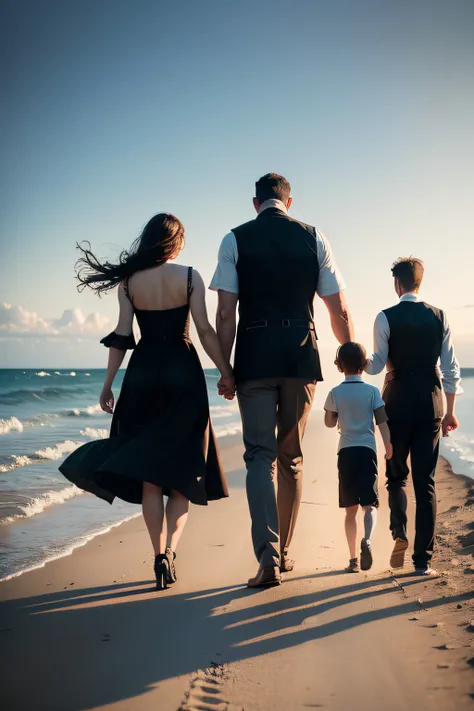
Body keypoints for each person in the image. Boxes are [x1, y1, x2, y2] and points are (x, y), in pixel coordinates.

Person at [59, 213, 234, 590]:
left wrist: (107, 384)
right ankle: (171, 551)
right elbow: (203, 329)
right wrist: (226, 371)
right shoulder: (189, 277)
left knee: (150, 480)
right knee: (185, 474)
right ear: (175, 242)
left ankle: (157, 554)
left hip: (142, 378)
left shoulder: (129, 283)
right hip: (183, 375)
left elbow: (123, 336)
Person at [210, 173, 353, 587]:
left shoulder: (234, 239)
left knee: (259, 455)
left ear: (255, 202)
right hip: (300, 355)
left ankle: (267, 559)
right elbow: (338, 308)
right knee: (291, 455)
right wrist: (350, 359)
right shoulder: (314, 237)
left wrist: (225, 368)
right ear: (289, 202)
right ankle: (286, 553)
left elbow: (224, 314)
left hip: (254, 355)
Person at [365, 257, 462, 576]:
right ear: (420, 282)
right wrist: (451, 412)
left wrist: (356, 362)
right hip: (431, 401)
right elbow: (450, 368)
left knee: (396, 476)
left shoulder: (385, 317)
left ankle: (399, 533)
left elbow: (378, 364)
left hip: (397, 400)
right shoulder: (440, 315)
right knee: (427, 482)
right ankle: (423, 561)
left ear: (397, 284)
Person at [324, 342, 392, 573]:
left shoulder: (335, 392)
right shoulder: (372, 392)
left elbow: (329, 422)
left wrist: (338, 415)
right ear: (364, 365)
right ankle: (368, 540)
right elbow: (382, 421)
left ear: (340, 365)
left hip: (346, 452)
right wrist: (389, 445)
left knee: (350, 509)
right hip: (367, 451)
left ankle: (353, 560)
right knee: (370, 504)